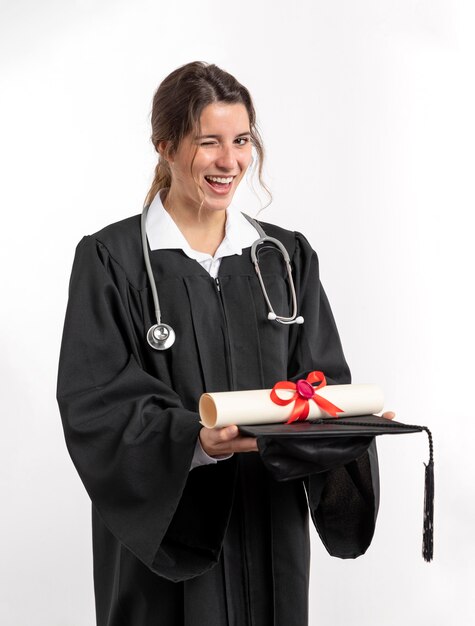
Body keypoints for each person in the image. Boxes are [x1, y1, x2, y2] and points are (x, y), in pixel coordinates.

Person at [57, 61, 392, 626]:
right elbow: (98, 403)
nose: (230, 162)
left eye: (241, 141)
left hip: (269, 517)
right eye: (208, 142)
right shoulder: (112, 260)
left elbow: (321, 380)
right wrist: (197, 441)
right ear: (165, 145)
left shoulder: (284, 259)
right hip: (168, 534)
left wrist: (350, 423)